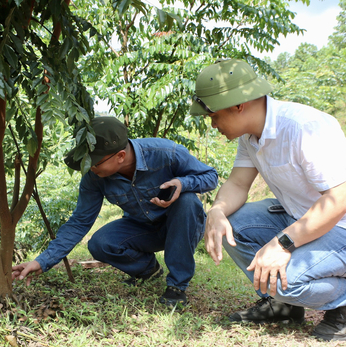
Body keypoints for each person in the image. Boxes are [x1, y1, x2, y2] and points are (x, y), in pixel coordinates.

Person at [191, 59, 346, 341]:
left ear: (237, 105)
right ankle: (284, 307)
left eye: (213, 116)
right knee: (230, 224)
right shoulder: (250, 137)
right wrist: (217, 210)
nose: (213, 124)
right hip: (303, 220)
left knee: (283, 282)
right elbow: (237, 183)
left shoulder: (303, 127)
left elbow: (340, 200)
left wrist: (282, 243)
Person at [12, 116, 218, 306]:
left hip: (182, 225)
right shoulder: (94, 178)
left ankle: (177, 286)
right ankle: (149, 271)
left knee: (187, 201)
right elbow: (79, 222)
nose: (90, 168)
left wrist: (183, 182)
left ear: (120, 156)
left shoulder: (166, 153)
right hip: (144, 229)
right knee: (100, 243)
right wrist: (42, 261)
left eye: (94, 162)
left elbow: (211, 176)